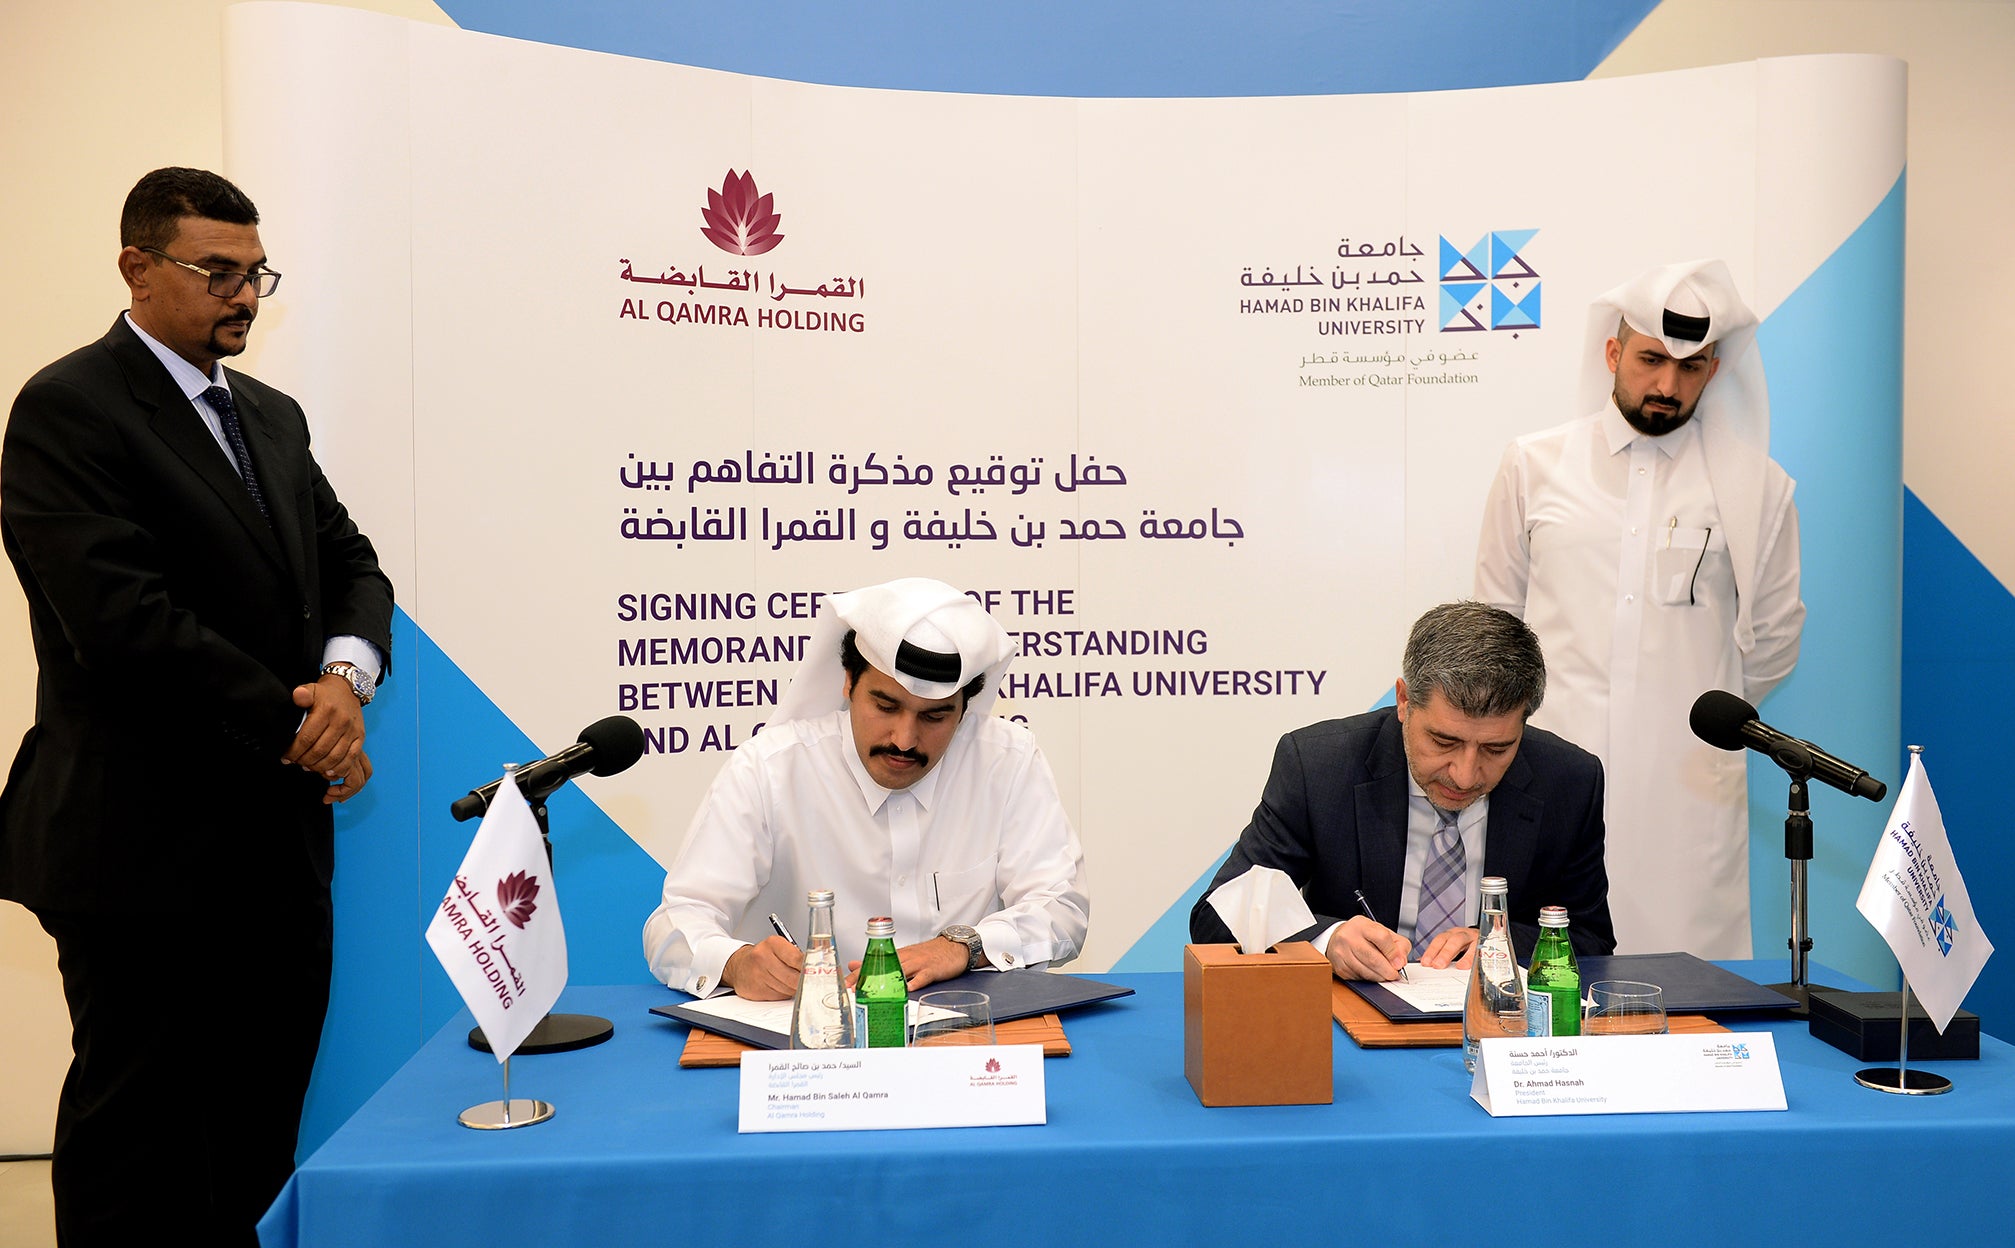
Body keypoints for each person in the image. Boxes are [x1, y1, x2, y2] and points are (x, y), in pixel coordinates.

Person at [0, 168, 393, 1246]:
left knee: (255, 1133)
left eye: (254, 273)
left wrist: (346, 682)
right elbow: (126, 625)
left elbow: (350, 564)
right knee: (140, 1146)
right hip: (141, 851)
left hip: (275, 845)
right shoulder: (66, 408)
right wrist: (300, 723)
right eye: (215, 272)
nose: (244, 296)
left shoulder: (269, 415)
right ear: (136, 267)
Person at [1474, 259, 1804, 959]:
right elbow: (1493, 623)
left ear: (1713, 371)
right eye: (1651, 359)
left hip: (1685, 794)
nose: (1666, 385)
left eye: (1690, 368)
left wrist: (1676, 715)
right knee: (1537, 982)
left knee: (1688, 995)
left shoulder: (1758, 489)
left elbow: (1774, 641)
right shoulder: (1533, 465)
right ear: (1611, 353)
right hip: (1547, 778)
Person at [644, 576, 1089, 999]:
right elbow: (675, 922)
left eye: (934, 716)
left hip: (960, 1035)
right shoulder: (770, 769)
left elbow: (1061, 907)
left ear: (963, 709)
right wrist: (735, 963)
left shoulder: (1006, 762)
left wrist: (963, 946)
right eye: (885, 705)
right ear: (848, 684)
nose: (904, 739)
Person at [1191, 601, 1612, 979]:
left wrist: (1503, 946)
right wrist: (1326, 939)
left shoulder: (1570, 780)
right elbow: (1216, 917)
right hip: (1351, 1028)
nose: (1465, 776)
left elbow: (1591, 939)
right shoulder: (1319, 767)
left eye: (1496, 748)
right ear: (1404, 701)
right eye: (1444, 742)